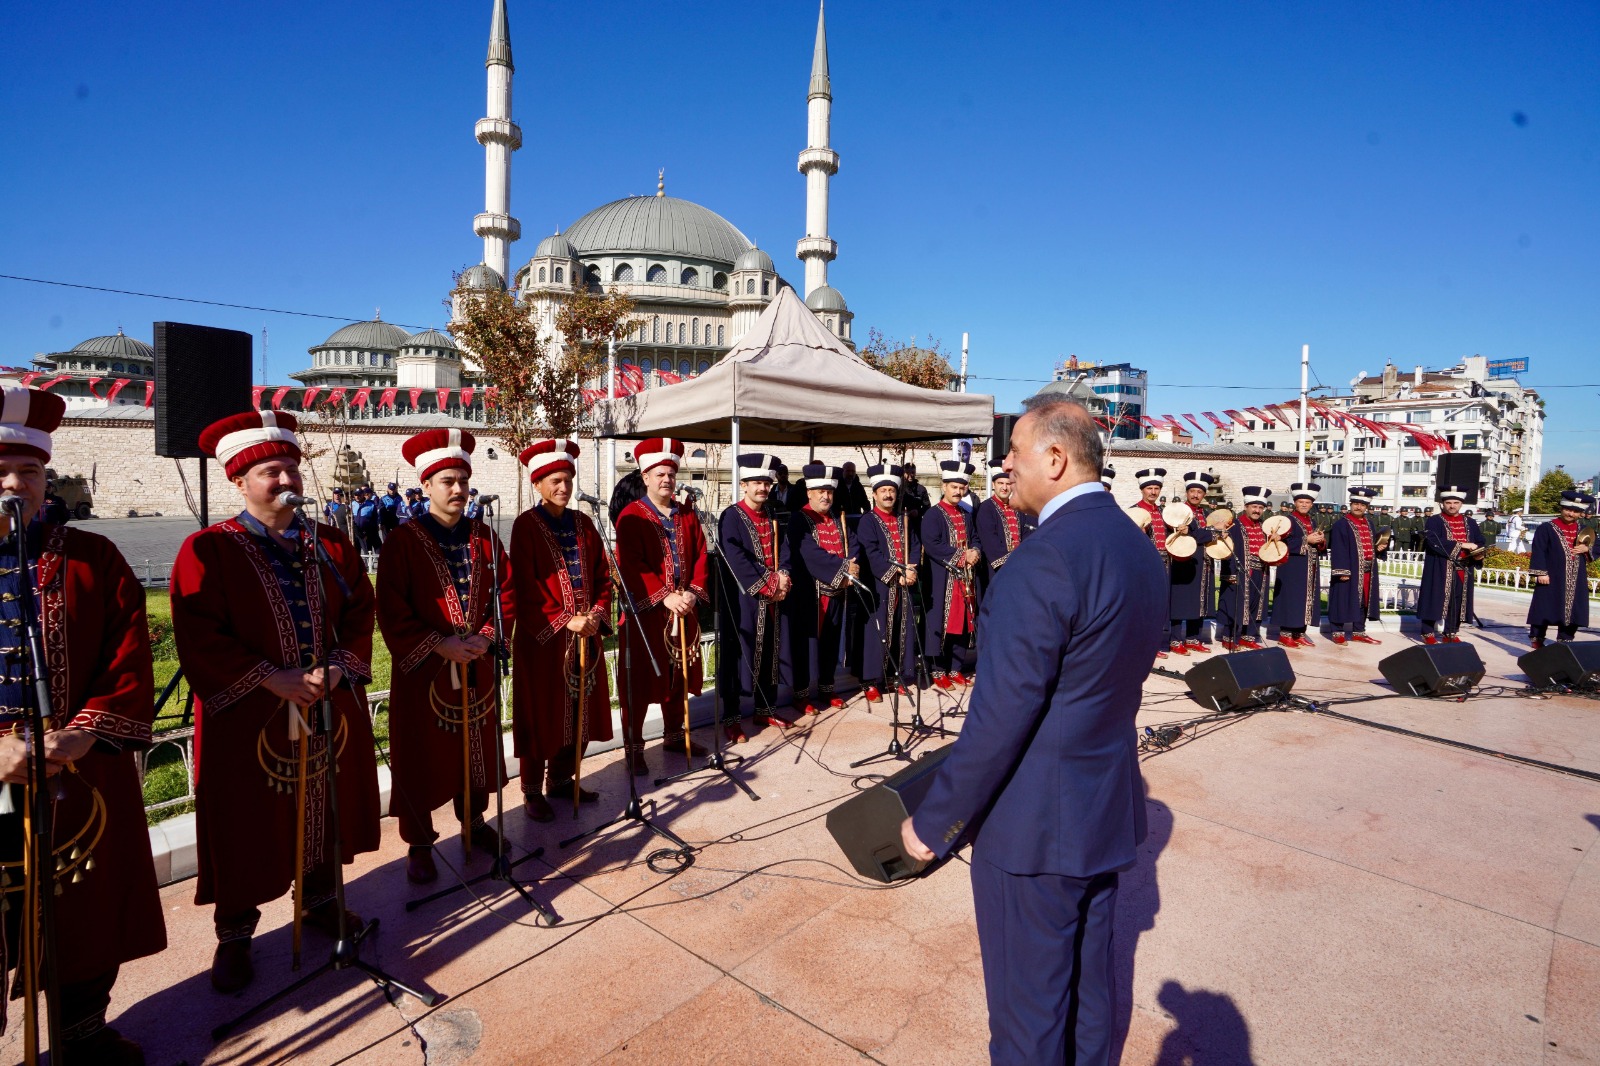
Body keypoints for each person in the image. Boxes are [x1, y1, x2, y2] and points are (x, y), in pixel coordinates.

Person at [901, 396, 1166, 1066]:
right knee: (1089, 999)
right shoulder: (1135, 547)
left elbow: (1002, 716)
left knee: (1029, 1019)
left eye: (1013, 453)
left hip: (1035, 830)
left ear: (1054, 458)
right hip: (1104, 811)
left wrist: (935, 822)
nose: (1004, 466)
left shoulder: (1043, 559)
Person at [172, 409, 380, 993]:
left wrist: (338, 668)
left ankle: (319, 900)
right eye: (271, 471)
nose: (287, 479)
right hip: (249, 716)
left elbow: (360, 610)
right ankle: (235, 933)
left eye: (292, 468)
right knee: (245, 820)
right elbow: (199, 633)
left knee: (325, 804)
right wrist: (269, 677)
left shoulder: (330, 544)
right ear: (240, 482)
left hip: (326, 705)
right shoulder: (208, 549)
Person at [0, 387, 165, 1063]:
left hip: (78, 764)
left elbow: (129, 655)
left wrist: (84, 731)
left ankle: (81, 1029)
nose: (15, 484)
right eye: (0, 472)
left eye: (29, 470)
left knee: (88, 906)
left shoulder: (94, 557)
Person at [377, 429, 514, 880]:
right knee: (421, 753)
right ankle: (419, 842)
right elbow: (391, 608)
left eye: (463, 481)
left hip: (476, 663)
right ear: (426, 486)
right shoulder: (402, 540)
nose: (458, 489)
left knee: (476, 748)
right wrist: (439, 644)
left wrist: (487, 637)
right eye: (447, 481)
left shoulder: (486, 538)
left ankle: (474, 822)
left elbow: (506, 594)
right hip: (425, 671)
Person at [511, 439, 613, 815]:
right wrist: (565, 619)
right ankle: (531, 791)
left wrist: (596, 614)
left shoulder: (584, 523)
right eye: (555, 480)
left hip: (586, 633)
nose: (564, 487)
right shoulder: (525, 526)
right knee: (542, 713)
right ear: (538, 484)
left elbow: (603, 575)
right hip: (544, 641)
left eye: (568, 479)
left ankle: (561, 779)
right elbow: (524, 586)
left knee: (581, 708)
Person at [614, 438, 710, 776]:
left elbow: (701, 554)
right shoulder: (630, 516)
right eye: (659, 474)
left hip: (684, 606)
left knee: (679, 675)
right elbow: (631, 563)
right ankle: (634, 748)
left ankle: (674, 736)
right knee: (639, 682)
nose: (667, 480)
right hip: (647, 613)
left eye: (671, 474)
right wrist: (663, 595)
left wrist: (693, 593)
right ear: (645, 477)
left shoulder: (687, 514)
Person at [718, 453, 793, 740]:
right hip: (743, 600)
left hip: (774, 598)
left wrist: (783, 575)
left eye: (766, 483)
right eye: (756, 483)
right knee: (738, 656)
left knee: (770, 653)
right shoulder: (731, 516)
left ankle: (765, 709)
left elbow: (785, 548)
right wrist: (770, 582)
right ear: (744, 484)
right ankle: (732, 717)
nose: (762, 488)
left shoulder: (772, 514)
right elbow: (735, 556)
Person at [788, 463, 856, 715]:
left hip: (836, 591)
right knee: (806, 645)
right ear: (809, 493)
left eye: (829, 491)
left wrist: (852, 567)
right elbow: (810, 553)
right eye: (820, 491)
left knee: (831, 641)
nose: (826, 496)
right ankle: (801, 694)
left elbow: (853, 544)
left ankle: (827, 688)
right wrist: (844, 568)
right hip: (810, 593)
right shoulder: (799, 519)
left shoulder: (837, 517)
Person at [855, 464, 919, 703]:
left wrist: (911, 569)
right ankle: (871, 681)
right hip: (878, 586)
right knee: (876, 633)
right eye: (883, 491)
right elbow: (871, 552)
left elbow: (915, 544)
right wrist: (895, 573)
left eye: (891, 490)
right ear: (874, 494)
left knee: (901, 630)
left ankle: (896, 675)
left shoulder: (903, 519)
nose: (888, 495)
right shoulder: (868, 521)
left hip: (904, 584)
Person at [922, 460, 981, 689]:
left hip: (965, 578)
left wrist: (975, 551)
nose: (958, 491)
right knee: (941, 623)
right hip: (942, 579)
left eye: (961, 487)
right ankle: (938, 670)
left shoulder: (966, 514)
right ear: (943, 486)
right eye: (953, 487)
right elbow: (932, 544)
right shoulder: (933, 515)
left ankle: (956, 668)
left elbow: (975, 538)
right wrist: (962, 555)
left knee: (963, 623)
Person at [1526, 490, 1593, 648]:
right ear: (1562, 508)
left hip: (1576, 578)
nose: (1571, 513)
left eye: (1575, 511)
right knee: (1543, 607)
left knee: (1574, 610)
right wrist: (1541, 572)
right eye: (1568, 509)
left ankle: (1565, 642)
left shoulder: (1584, 530)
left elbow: (1596, 546)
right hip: (1552, 576)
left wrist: (1587, 549)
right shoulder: (1546, 528)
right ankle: (1537, 640)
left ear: (1580, 513)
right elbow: (1539, 550)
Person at [1418, 485, 1485, 644]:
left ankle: (1451, 632)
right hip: (1439, 567)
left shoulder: (1470, 522)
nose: (1452, 506)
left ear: (1461, 504)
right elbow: (1433, 541)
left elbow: (1480, 541)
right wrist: (1462, 545)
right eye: (1448, 503)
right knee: (1434, 598)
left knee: (1457, 600)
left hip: (1463, 568)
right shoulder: (1434, 521)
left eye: (1456, 503)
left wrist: (1479, 554)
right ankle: (1427, 633)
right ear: (1443, 503)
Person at [1168, 471, 1220, 653]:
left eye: (1199, 492)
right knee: (1180, 600)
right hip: (1183, 561)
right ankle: (1175, 640)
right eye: (1192, 491)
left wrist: (1213, 532)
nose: (1195, 495)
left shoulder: (1205, 513)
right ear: (1187, 493)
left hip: (1203, 563)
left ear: (1204, 494)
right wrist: (1213, 533)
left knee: (1199, 601)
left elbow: (1198, 533)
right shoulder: (1180, 512)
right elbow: (1194, 534)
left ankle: (1192, 638)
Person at [1327, 486, 1386, 645]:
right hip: (1349, 570)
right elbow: (1339, 549)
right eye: (1355, 504)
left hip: (1367, 570)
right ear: (1351, 504)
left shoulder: (1370, 524)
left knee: (1363, 601)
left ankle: (1358, 632)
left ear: (1367, 507)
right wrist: (1342, 571)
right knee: (1342, 599)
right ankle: (1337, 632)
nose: (1358, 507)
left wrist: (1379, 549)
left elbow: (1369, 546)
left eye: (1362, 504)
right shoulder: (1341, 524)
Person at [1217, 487, 1274, 650]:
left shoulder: (1264, 527)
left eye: (1260, 507)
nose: (1257, 510)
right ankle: (1229, 637)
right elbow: (1226, 549)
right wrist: (1230, 575)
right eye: (1254, 506)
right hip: (1240, 572)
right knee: (1236, 606)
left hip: (1260, 571)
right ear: (1246, 506)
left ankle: (1248, 637)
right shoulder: (1234, 525)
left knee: (1255, 605)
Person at [1270, 483, 1326, 647]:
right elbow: (1281, 542)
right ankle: (1285, 634)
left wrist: (1320, 540)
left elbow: (1317, 544)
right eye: (1301, 502)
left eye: (1307, 502)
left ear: (1311, 504)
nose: (1304, 505)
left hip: (1310, 566)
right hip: (1292, 567)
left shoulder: (1312, 521)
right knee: (1291, 598)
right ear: (1295, 503)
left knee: (1305, 599)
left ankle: (1299, 633)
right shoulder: (1287, 520)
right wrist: (1306, 540)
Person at [1129, 468, 1175, 656]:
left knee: (1160, 604)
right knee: (1145, 604)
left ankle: (1156, 643)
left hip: (1165, 564)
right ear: (1142, 489)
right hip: (1145, 566)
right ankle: (1143, 645)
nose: (1153, 492)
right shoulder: (1133, 511)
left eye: (1157, 488)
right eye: (1149, 488)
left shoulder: (1164, 512)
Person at [975, 460, 1036, 582]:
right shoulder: (986, 508)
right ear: (993, 485)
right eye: (1000, 483)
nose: (1004, 488)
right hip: (997, 570)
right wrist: (1012, 562)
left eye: (1008, 484)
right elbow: (990, 540)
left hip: (1020, 566)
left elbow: (1026, 532)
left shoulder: (1017, 507)